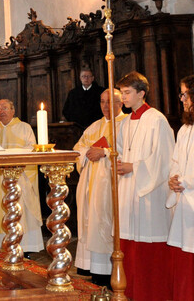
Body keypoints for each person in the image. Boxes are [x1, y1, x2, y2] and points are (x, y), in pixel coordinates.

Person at [116, 71, 174, 300]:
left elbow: (164, 158)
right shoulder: (126, 122)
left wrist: (134, 168)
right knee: (128, 247)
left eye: (127, 93)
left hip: (149, 195)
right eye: (122, 93)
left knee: (148, 252)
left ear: (141, 93)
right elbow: (121, 151)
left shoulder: (156, 119)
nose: (123, 97)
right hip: (128, 192)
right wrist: (119, 163)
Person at [72, 88, 125, 287]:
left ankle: (111, 271)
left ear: (121, 103)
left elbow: (130, 151)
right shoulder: (94, 126)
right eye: (102, 101)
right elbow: (78, 148)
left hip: (112, 187)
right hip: (91, 186)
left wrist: (104, 152)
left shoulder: (126, 125)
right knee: (91, 224)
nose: (105, 106)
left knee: (107, 226)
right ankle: (95, 270)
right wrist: (88, 152)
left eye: (110, 101)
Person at [0, 100, 44, 255]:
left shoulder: (24, 127)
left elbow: (32, 148)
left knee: (21, 211)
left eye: (5, 108)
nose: (1, 111)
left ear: (13, 110)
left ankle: (25, 247)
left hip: (20, 177)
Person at [166, 74, 194, 300]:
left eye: (185, 94)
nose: (182, 99)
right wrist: (173, 179)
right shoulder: (185, 130)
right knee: (185, 260)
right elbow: (175, 162)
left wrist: (187, 182)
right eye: (181, 94)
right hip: (184, 204)